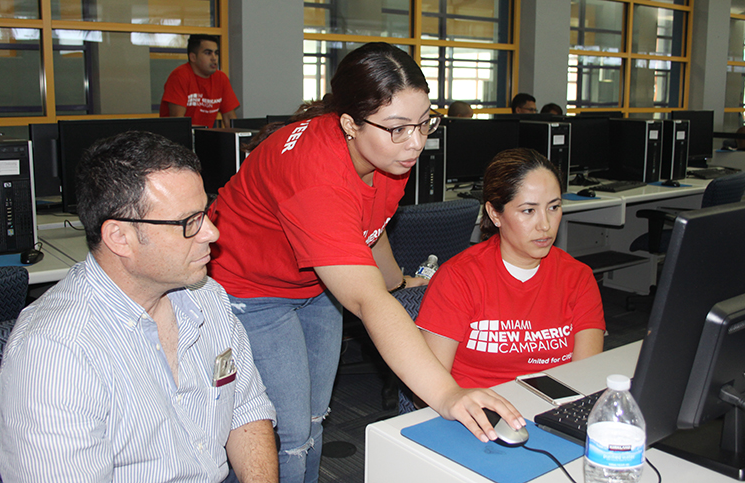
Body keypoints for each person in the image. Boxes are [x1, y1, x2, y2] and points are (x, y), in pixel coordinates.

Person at [208, 42, 524, 483]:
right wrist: (448, 395)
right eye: (398, 128)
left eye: (424, 122)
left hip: (314, 282)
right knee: (289, 429)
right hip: (249, 289)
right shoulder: (317, 177)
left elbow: (368, 229)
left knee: (315, 416)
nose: (416, 142)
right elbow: (365, 300)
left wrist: (399, 282)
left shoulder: (390, 151)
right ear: (349, 124)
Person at [0, 131, 277, 482]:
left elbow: (246, 410)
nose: (212, 233)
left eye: (206, 213)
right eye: (190, 222)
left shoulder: (205, 295)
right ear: (119, 238)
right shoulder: (55, 353)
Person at [416, 148, 605, 389]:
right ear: (495, 214)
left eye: (554, 207)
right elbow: (426, 392)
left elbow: (584, 379)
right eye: (528, 210)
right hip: (476, 416)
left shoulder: (578, 277)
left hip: (550, 412)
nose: (545, 225)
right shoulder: (459, 278)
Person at [160, 34, 239, 128]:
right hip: (177, 138)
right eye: (208, 53)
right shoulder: (180, 76)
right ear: (193, 57)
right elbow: (178, 121)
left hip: (205, 137)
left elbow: (229, 118)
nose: (214, 58)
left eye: (216, 53)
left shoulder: (221, 78)